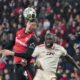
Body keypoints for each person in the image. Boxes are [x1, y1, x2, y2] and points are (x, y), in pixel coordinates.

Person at [0, 7, 38, 80]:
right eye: (30, 23)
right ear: (27, 22)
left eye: (34, 25)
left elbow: (28, 55)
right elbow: (12, 43)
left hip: (27, 66)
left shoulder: (33, 38)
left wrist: (12, 53)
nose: (31, 26)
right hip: (17, 65)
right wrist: (3, 51)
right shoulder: (19, 32)